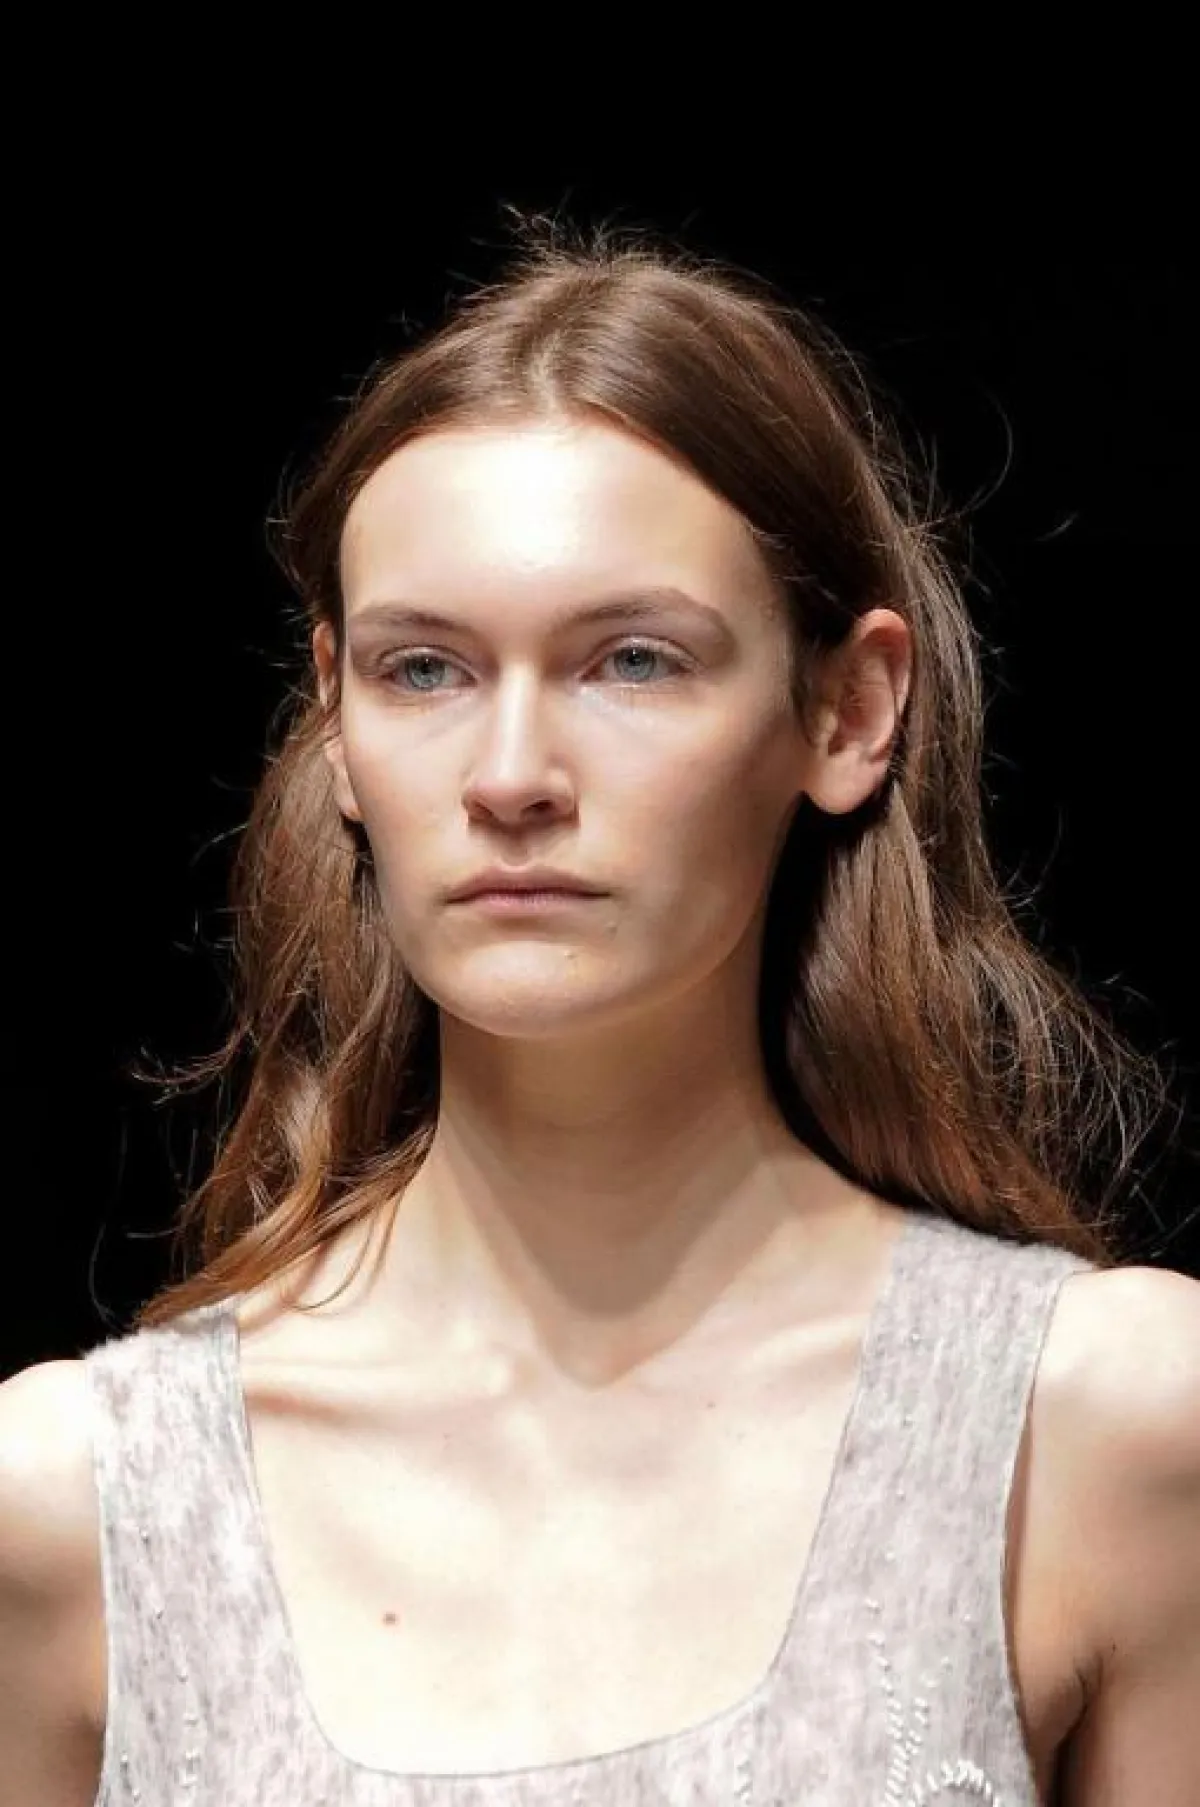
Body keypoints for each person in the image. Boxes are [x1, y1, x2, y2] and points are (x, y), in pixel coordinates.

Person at [2, 223, 1198, 1806]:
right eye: (424, 669)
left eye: (633, 660)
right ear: (337, 722)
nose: (510, 777)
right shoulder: (78, 1507)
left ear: (849, 709)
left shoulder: (1100, 1430)